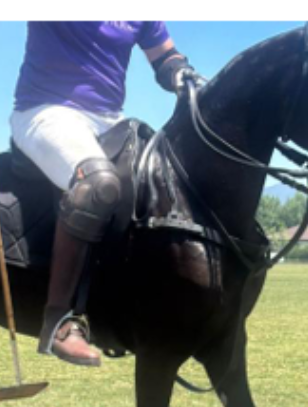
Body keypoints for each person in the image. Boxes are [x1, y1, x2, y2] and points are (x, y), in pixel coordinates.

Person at [10, 21, 200, 367]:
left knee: (157, 182)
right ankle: (58, 322)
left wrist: (181, 73)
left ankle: (128, 304)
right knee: (97, 184)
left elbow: (164, 56)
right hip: (46, 111)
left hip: (110, 121)